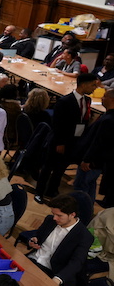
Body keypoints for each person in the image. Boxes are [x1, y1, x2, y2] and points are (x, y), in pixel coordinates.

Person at [36, 73, 100, 201]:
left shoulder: (87, 100)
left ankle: (52, 190)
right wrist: (60, 142)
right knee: (48, 167)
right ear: (84, 84)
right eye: (93, 85)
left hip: (74, 140)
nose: (94, 88)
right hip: (59, 140)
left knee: (61, 168)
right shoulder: (65, 101)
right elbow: (58, 124)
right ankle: (39, 192)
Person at [26, 194, 92, 286]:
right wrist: (32, 241)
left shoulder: (84, 236)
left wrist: (58, 279)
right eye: (53, 214)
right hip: (32, 260)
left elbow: (76, 262)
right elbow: (37, 236)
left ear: (72, 215)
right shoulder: (49, 220)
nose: (54, 218)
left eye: (59, 215)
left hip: (53, 272)